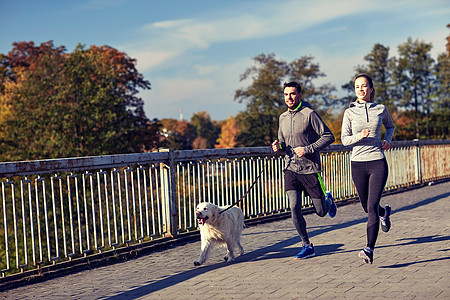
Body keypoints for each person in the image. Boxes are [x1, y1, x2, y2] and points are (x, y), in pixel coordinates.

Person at [272, 81, 337, 260]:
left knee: (321, 212)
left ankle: (328, 201)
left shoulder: (310, 114)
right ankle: (307, 245)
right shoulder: (282, 118)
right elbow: (283, 143)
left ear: (300, 95)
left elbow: (329, 136)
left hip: (309, 168)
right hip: (290, 168)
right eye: (286, 94)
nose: (289, 98)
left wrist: (307, 149)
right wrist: (278, 147)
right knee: (294, 207)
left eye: (292, 94)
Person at [341, 74, 395, 264]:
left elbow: (390, 126)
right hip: (357, 163)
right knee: (366, 207)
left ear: (371, 89)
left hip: (377, 162)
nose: (361, 89)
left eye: (364, 86)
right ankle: (384, 213)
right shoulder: (349, 112)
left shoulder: (380, 109)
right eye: (357, 86)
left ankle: (369, 249)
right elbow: (344, 139)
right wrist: (359, 136)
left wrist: (387, 140)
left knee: (371, 206)